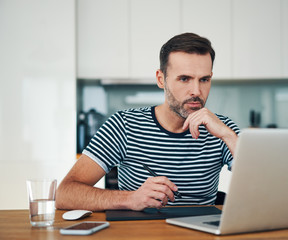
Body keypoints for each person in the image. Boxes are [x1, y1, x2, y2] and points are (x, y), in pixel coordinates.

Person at [56, 33, 240, 211]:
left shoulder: (223, 129)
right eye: (184, 79)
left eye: (204, 79)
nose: (196, 91)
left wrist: (228, 136)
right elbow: (64, 194)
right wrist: (130, 199)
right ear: (161, 79)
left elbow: (266, 190)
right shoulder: (124, 125)